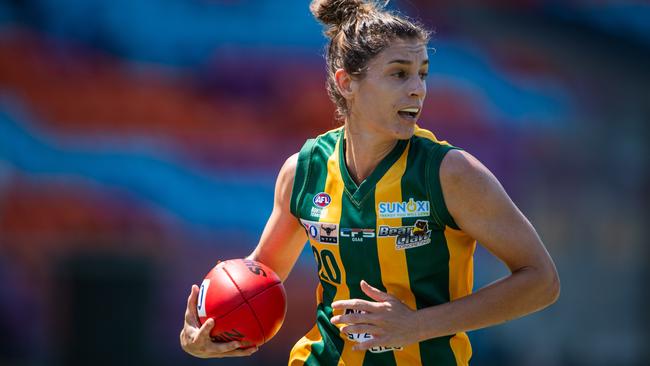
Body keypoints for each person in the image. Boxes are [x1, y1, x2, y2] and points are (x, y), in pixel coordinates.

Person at [180, 0, 560, 364]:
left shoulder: (451, 173)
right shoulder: (303, 171)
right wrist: (210, 330)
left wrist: (416, 326)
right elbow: (261, 277)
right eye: (399, 73)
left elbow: (541, 281)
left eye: (422, 73)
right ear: (347, 83)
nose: (418, 89)